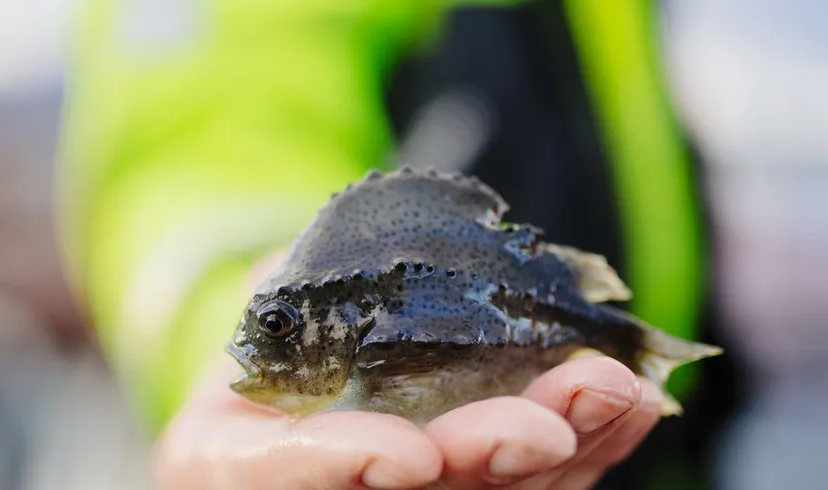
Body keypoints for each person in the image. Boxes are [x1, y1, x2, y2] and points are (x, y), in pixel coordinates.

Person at [57, 1, 741, 488]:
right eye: (278, 328)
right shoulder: (346, 327)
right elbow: (203, 120)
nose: (261, 346)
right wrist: (222, 292)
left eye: (276, 329)